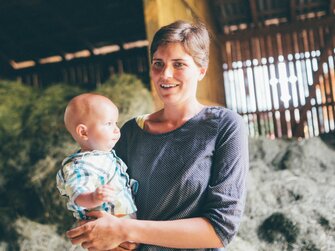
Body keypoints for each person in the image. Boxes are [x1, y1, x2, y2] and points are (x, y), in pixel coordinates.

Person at [66, 20, 249, 251]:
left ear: (201, 70)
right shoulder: (130, 133)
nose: (166, 74)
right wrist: (99, 231)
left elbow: (220, 229)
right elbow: (100, 199)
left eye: (179, 64)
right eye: (158, 64)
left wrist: (126, 230)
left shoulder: (225, 126)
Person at [56, 93, 137, 221]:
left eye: (116, 123)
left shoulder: (105, 156)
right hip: (104, 225)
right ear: (84, 132)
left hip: (123, 223)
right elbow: (77, 195)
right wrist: (93, 198)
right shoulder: (81, 165)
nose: (117, 130)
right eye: (109, 124)